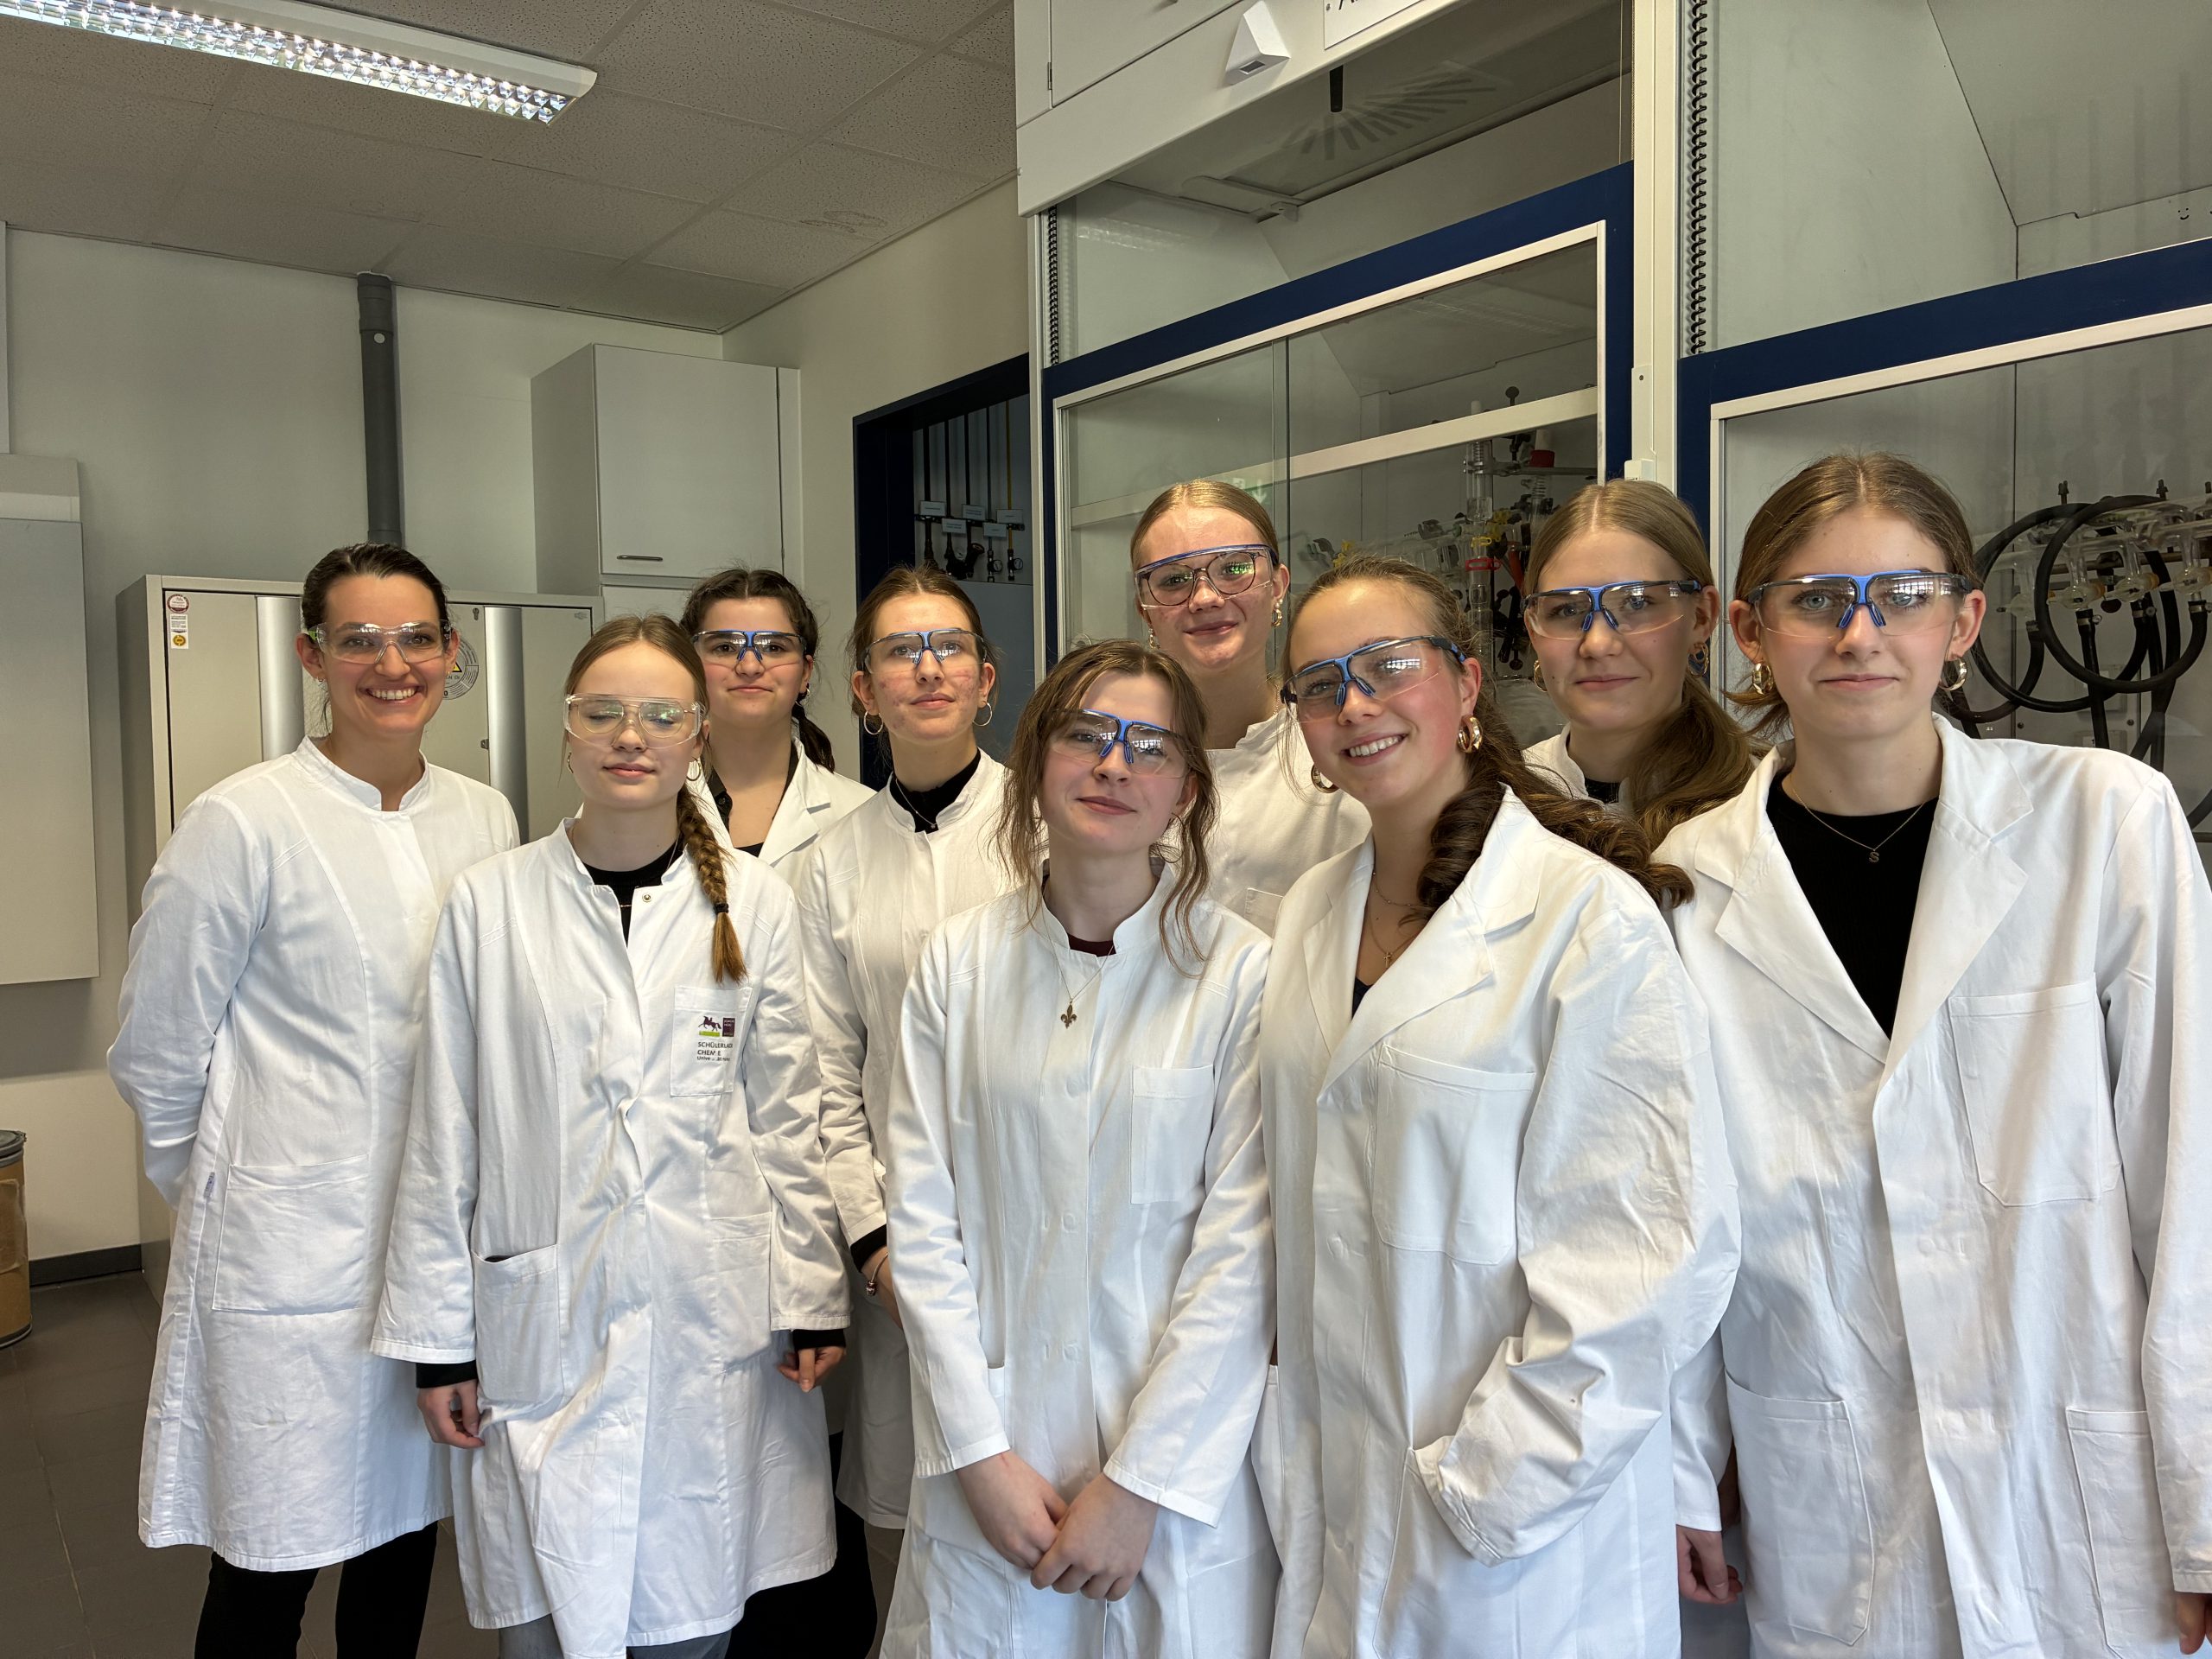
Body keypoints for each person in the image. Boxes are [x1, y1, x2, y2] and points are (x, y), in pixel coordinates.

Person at [1662, 453, 2212, 1659]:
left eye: (1901, 596)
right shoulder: (1688, 886)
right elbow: (1681, 1220)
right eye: (1815, 599)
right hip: (1830, 1464)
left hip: (2080, 1476)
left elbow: (2191, 1179)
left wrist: (2205, 1505)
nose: (1859, 633)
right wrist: (1684, 1464)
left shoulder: (2103, 820)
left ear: (1962, 622)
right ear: (1749, 631)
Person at [1262, 553, 1738, 1658]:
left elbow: (1645, 1258)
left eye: (1388, 666)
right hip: (1338, 1488)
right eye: (1321, 684)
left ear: (1467, 683)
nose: (1355, 705)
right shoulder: (1308, 914)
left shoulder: (1586, 920)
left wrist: (1489, 1488)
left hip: (1515, 1530)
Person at [373, 615, 849, 1659]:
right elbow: (446, 1130)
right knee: (548, 1619)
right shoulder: (490, 905)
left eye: (661, 715)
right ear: (567, 732)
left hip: (707, 1315)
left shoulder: (755, 906)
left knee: (692, 1609)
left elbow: (787, 1115)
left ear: (697, 737)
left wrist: (812, 1297)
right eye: (604, 712)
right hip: (544, 1319)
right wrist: (438, 1344)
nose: (631, 736)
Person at [109, 544, 518, 1658]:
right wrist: (239, 1192)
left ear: (450, 652)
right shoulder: (243, 820)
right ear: (312, 657)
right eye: (360, 640)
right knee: (268, 1556)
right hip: (285, 1262)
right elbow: (157, 1049)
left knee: (402, 1546)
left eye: (418, 638)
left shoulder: (484, 816)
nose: (394, 664)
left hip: (431, 1253)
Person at [880, 640, 1278, 1657]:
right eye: (1086, 735)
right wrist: (978, 1456)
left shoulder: (1241, 975)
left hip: (1170, 1494)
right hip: (992, 1469)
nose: (1113, 765)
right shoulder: (956, 965)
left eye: (1149, 746)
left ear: (1188, 789)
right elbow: (921, 1226)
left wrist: (1140, 1485)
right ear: (1035, 760)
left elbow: (1241, 1259)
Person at [794, 567, 1016, 1563]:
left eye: (949, 647)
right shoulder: (833, 862)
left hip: (1035, 1224)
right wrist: (874, 1240)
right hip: (902, 1249)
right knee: (919, 1536)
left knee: (1039, 1506)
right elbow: (826, 1072)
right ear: (863, 689)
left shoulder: (1046, 826)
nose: (927, 668)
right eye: (899, 651)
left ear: (985, 678)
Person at [1130, 480, 1367, 934]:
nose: (1205, 598)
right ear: (1145, 610)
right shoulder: (1112, 762)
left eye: (1234, 568)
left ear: (1277, 586)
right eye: (1174, 579)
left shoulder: (1342, 750)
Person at [1521, 478, 1757, 843]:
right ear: (1534, 632)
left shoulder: (1764, 806)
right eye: (1566, 609)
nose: (1598, 644)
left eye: (1637, 602)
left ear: (1701, 617)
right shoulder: (1499, 801)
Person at [681, 567, 871, 871]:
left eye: (773, 647)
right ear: (690, 667)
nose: (750, 666)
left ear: (805, 673)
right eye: (725, 647)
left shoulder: (860, 813)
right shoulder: (644, 802)